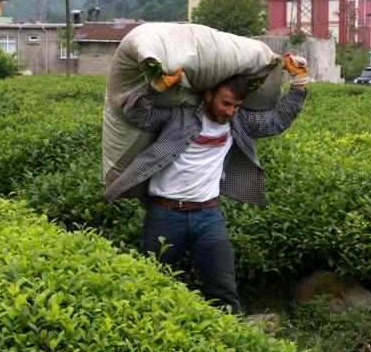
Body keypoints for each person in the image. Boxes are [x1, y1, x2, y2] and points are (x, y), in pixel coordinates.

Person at [105, 54, 308, 313]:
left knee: (224, 288)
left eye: (236, 105)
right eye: (226, 104)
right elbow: (135, 114)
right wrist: (154, 88)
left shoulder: (238, 121)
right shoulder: (178, 117)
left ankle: (233, 341)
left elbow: (276, 121)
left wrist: (299, 83)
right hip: (166, 215)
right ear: (209, 95)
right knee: (149, 283)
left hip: (208, 216)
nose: (230, 111)